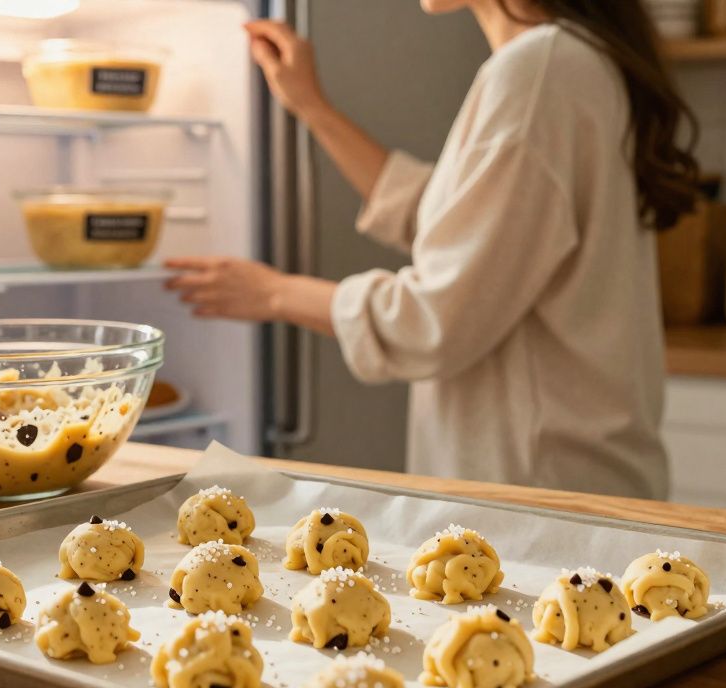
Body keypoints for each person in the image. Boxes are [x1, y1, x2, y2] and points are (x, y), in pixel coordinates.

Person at [164, 0, 698, 500]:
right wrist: (312, 108)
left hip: (538, 494)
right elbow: (464, 225)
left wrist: (275, 293)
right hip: (560, 486)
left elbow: (437, 320)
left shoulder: (539, 71)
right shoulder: (567, 60)